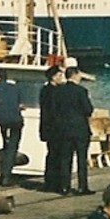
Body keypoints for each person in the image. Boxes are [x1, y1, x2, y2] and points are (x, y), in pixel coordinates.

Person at [0, 67, 24, 186]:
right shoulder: (15, 87)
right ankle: (6, 176)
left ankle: (3, 172)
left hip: (2, 120)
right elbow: (19, 103)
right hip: (15, 120)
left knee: (6, 145)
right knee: (12, 148)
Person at [38, 63, 74, 194]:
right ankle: (61, 184)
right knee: (61, 156)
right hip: (57, 128)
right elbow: (55, 111)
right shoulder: (55, 92)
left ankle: (50, 183)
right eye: (59, 75)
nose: (61, 78)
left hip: (48, 128)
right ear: (53, 77)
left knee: (52, 155)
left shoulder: (44, 91)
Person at [66, 61, 96, 195]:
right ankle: (82, 186)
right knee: (81, 159)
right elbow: (88, 110)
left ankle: (65, 186)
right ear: (75, 75)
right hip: (80, 129)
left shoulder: (60, 90)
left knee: (66, 158)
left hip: (65, 130)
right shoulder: (81, 91)